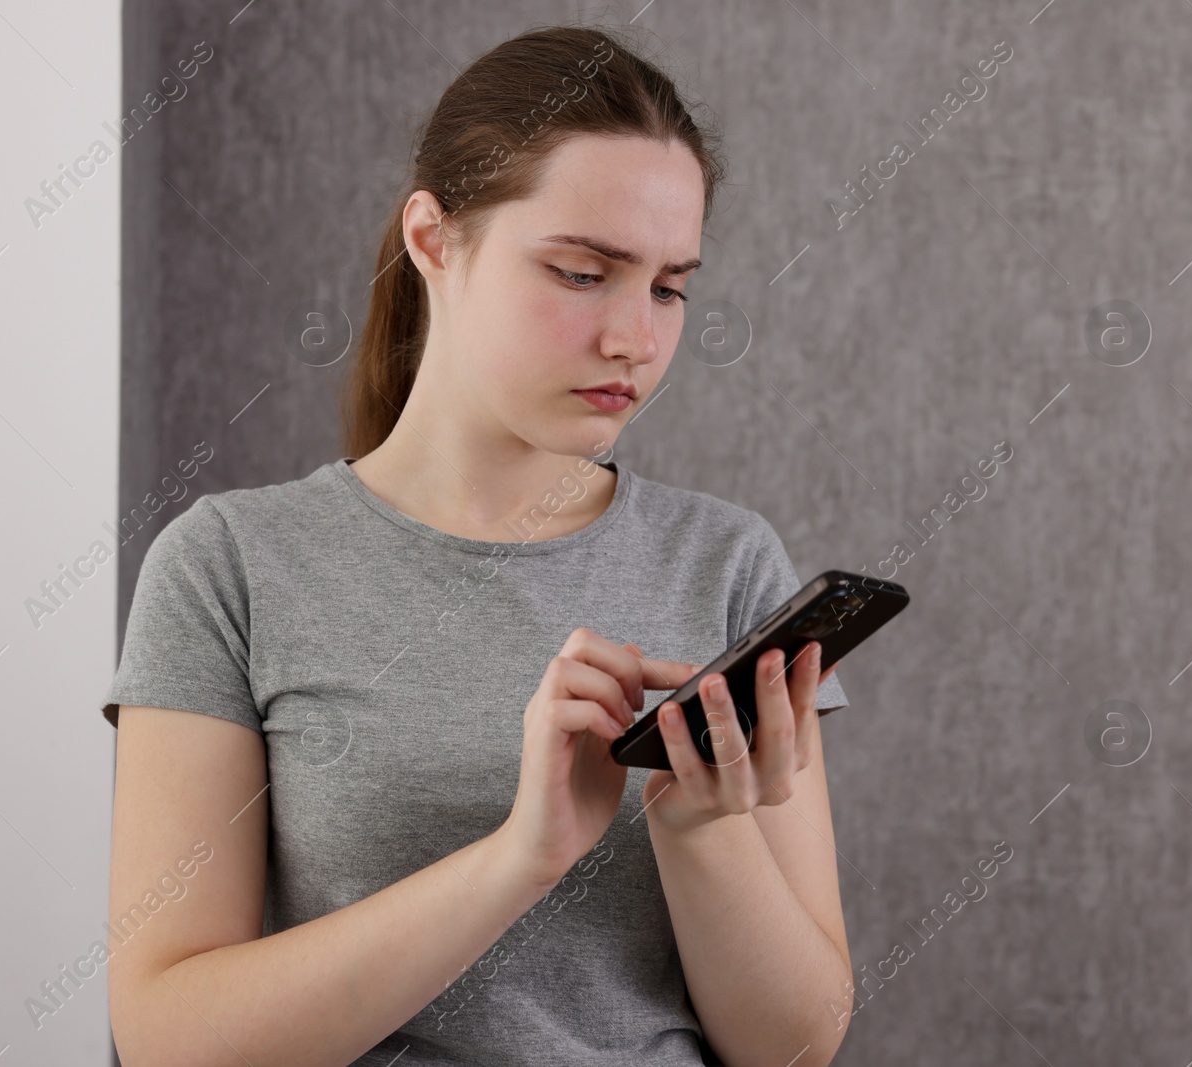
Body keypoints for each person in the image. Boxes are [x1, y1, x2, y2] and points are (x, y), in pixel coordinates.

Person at [102, 23, 853, 1067]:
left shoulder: (726, 565)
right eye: (583, 272)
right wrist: (520, 856)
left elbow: (794, 1046)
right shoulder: (230, 564)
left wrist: (701, 828)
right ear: (433, 239)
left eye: (669, 286)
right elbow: (168, 1036)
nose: (634, 337)